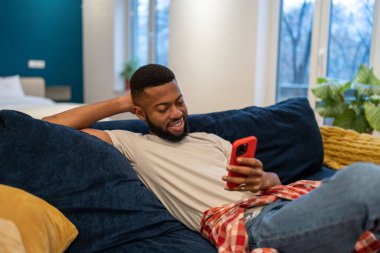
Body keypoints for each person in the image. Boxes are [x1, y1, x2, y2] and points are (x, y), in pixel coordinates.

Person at [43, 64, 380, 253]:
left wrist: (265, 179)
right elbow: (46, 128)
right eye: (162, 108)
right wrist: (120, 102)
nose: (176, 113)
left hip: (281, 204)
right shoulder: (132, 145)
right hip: (255, 228)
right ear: (140, 113)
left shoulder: (212, 139)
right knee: (364, 180)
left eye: (179, 101)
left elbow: (271, 184)